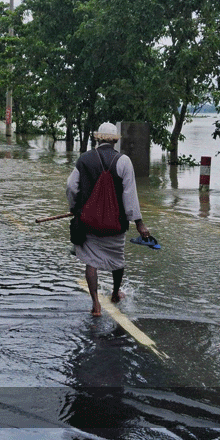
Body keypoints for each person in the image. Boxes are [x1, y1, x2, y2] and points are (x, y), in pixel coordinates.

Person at [66, 122, 150, 317]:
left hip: (89, 222)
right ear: (114, 141)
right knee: (117, 259)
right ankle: (114, 293)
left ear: (97, 138)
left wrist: (74, 207)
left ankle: (96, 303)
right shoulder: (124, 161)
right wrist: (139, 222)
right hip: (116, 223)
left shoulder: (84, 159)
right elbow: (130, 195)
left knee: (90, 261)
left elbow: (71, 186)